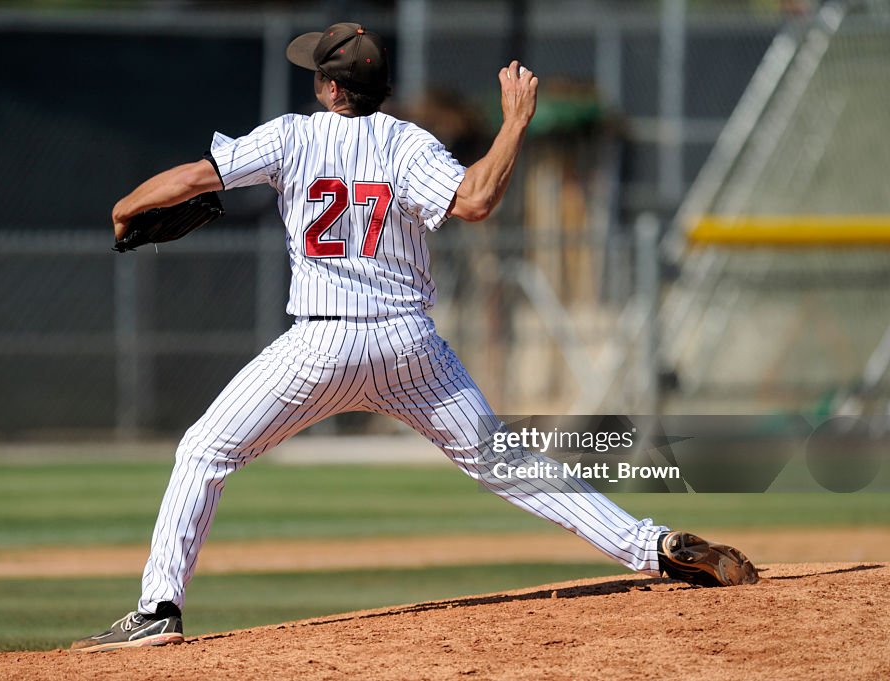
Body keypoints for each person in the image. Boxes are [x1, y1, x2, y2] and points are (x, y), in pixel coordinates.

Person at [71, 22, 757, 653]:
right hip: (409, 347)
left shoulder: (291, 136)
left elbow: (196, 176)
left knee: (204, 451)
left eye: (319, 71)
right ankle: (654, 544)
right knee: (505, 460)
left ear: (332, 88)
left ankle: (159, 607)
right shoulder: (408, 143)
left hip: (321, 346)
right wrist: (514, 122)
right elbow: (478, 200)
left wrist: (125, 205)